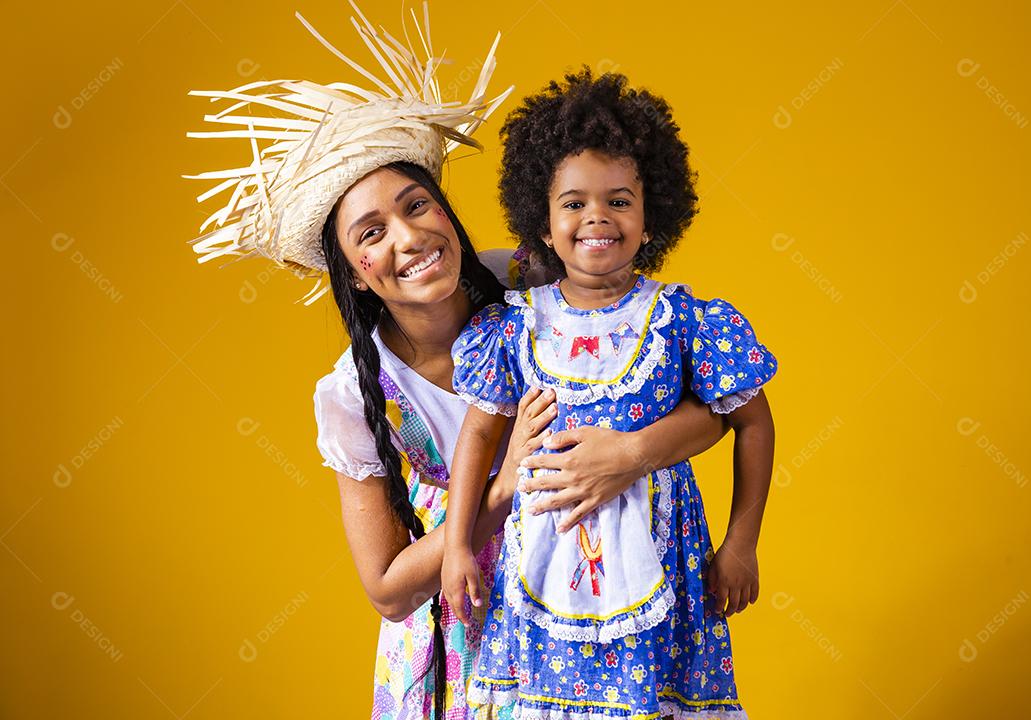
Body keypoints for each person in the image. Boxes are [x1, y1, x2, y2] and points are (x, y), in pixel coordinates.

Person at [185, 9, 731, 719]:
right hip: (464, 633)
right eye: (372, 232)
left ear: (447, 208)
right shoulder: (357, 393)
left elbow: (717, 407)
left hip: (596, 588)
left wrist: (628, 454)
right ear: (353, 271)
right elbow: (386, 588)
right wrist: (503, 490)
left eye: (419, 205)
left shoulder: (535, 286)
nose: (409, 237)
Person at [441, 70, 779, 719]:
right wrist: (457, 544)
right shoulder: (514, 326)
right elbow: (479, 433)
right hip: (543, 568)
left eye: (619, 200)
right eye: (573, 203)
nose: (597, 216)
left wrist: (741, 542)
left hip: (664, 569)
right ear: (541, 222)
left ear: (653, 216)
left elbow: (753, 423)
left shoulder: (685, 322)